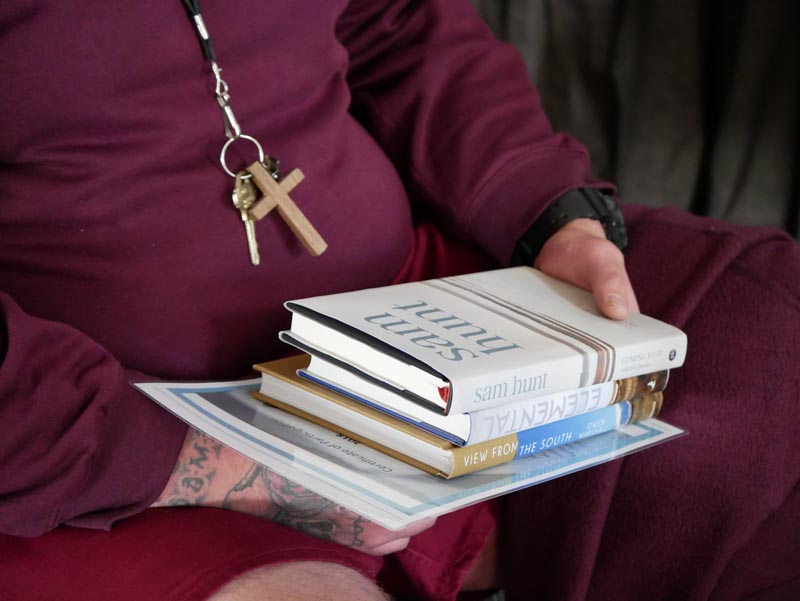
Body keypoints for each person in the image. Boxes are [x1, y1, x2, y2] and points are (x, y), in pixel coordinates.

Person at [0, 2, 797, 600]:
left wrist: (554, 213)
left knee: (774, 345)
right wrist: (232, 471)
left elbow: (399, 23)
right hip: (109, 449)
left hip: (424, 302)